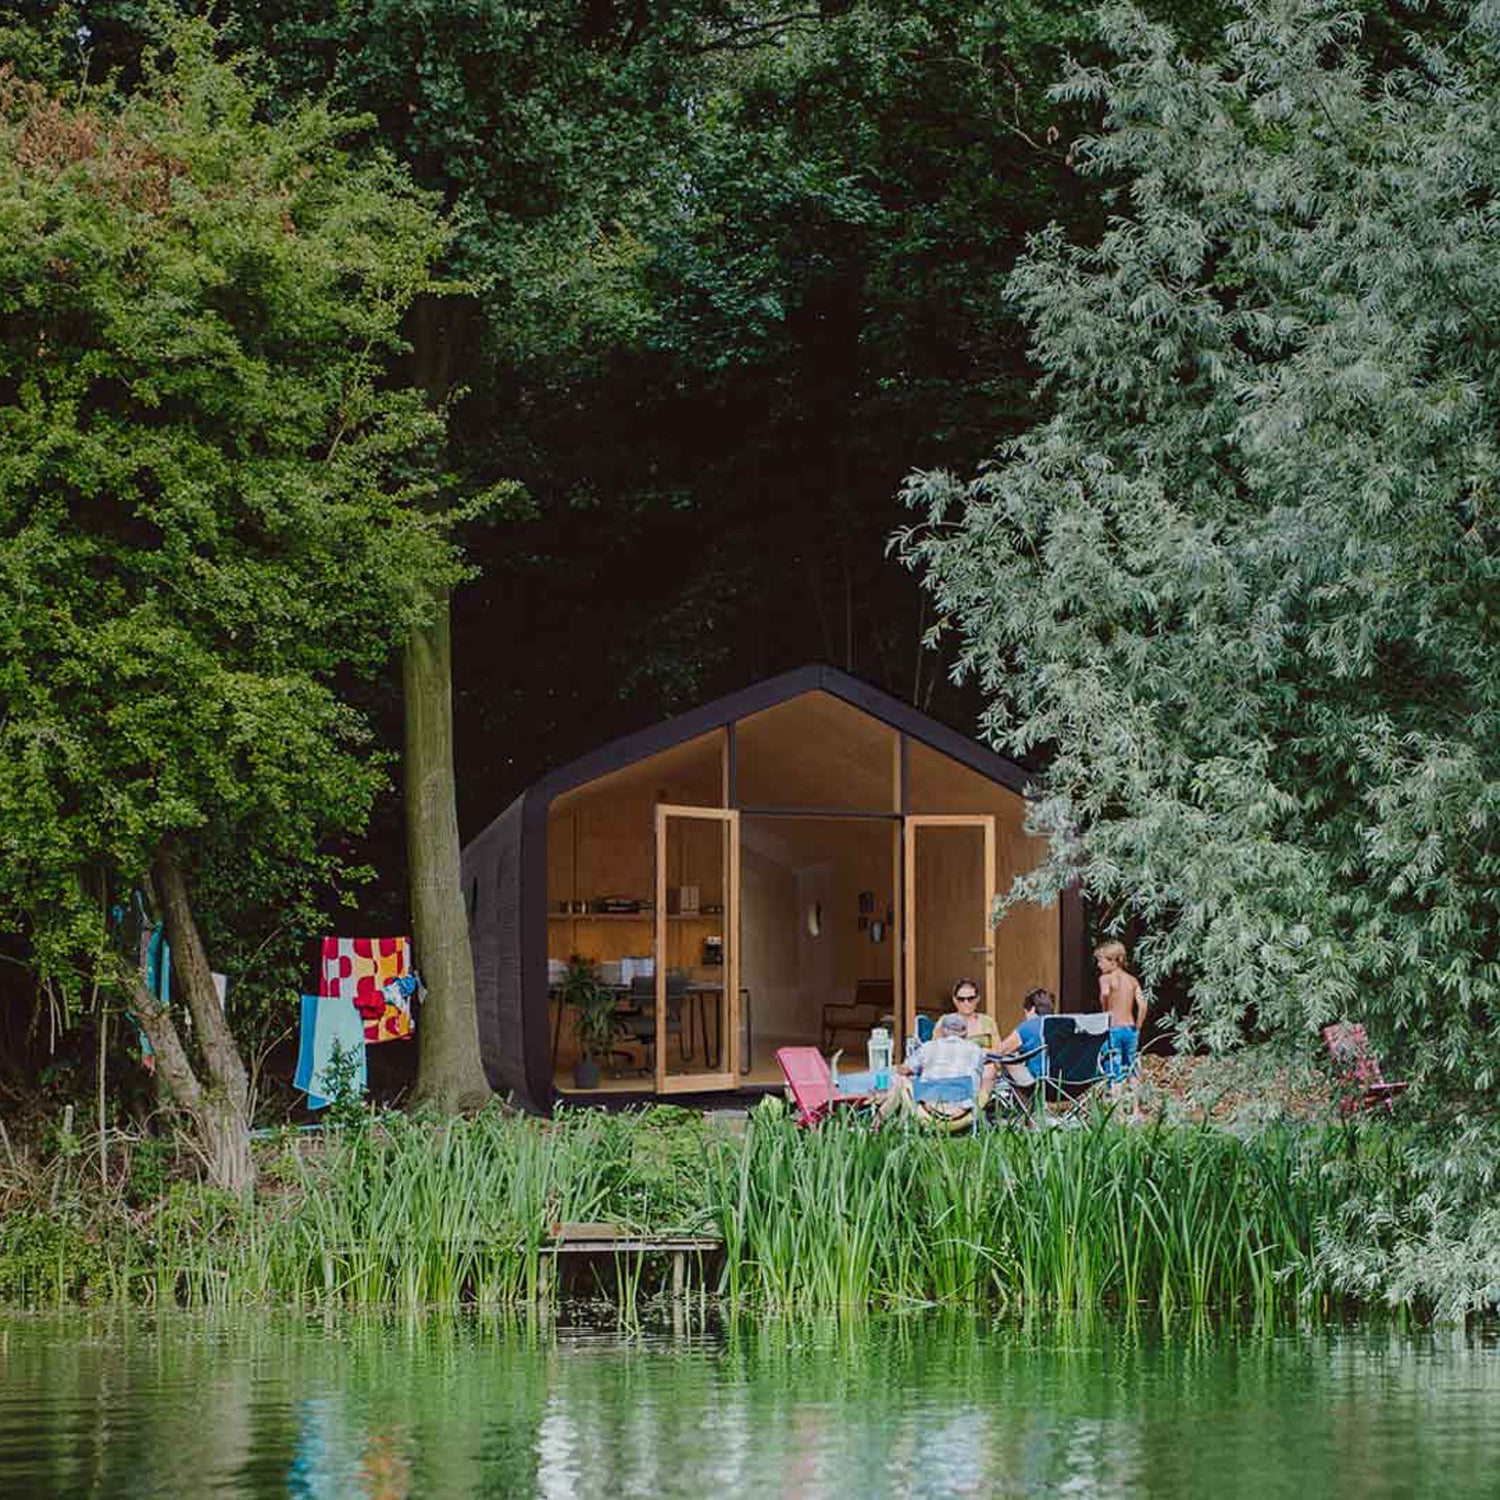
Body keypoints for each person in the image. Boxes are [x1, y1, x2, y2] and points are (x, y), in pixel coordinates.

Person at [876, 1012, 985, 1124]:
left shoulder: (928, 1047)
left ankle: (878, 1122)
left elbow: (905, 1069)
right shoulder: (976, 1050)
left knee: (901, 1079)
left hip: (930, 1110)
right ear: (965, 1032)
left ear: (943, 1030)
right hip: (962, 1112)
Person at [1095, 941, 1145, 1095]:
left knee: (1114, 1067)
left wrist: (1105, 1010)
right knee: (1132, 1068)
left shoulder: (1105, 979)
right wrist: (1138, 1027)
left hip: (1114, 1028)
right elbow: (1143, 1006)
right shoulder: (1132, 980)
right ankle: (1136, 1111)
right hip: (1130, 1029)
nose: (1098, 965)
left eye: (1100, 960)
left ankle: (1118, 1112)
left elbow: (1104, 994)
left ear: (1113, 960)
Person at [989, 987, 1054, 1092]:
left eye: (1025, 1013)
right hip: (1068, 1086)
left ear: (1032, 1009)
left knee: (1007, 1058)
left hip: (1038, 1084)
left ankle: (1022, 1104)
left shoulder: (1029, 1026)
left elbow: (999, 1051)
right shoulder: (1063, 1025)